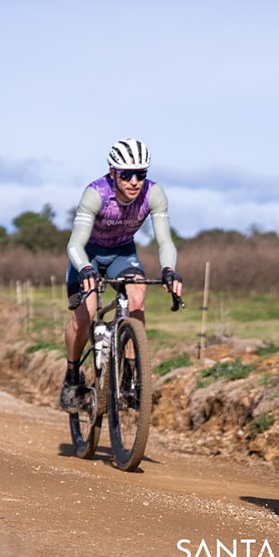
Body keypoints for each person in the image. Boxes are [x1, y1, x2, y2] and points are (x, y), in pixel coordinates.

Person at [59, 138, 184, 412]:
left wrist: (169, 270)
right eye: (126, 174)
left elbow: (165, 241)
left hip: (121, 253)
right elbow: (74, 244)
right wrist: (85, 268)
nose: (134, 181)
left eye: (141, 174)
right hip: (87, 254)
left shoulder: (153, 194)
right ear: (112, 172)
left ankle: (129, 376)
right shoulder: (95, 194)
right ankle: (71, 376)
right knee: (85, 316)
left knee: (137, 296)